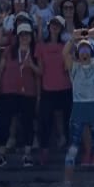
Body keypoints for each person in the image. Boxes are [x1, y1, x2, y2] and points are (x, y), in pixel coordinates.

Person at [58, 28, 94, 187]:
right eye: (81, 49)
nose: (84, 52)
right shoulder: (74, 67)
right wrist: (72, 39)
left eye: (87, 49)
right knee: (73, 148)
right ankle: (66, 185)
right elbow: (64, 54)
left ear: (91, 52)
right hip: (79, 110)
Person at [0, 23, 41, 168]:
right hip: (8, 91)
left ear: (31, 36)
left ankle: (27, 154)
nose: (24, 37)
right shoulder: (9, 50)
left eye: (27, 34)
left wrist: (32, 65)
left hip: (28, 93)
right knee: (4, 123)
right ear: (18, 36)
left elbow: (40, 72)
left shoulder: (35, 52)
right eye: (22, 34)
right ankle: (1, 154)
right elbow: (1, 68)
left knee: (27, 123)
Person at [35, 16, 72, 165]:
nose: (54, 27)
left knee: (69, 121)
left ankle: (71, 149)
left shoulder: (66, 46)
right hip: (47, 88)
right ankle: (44, 151)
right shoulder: (41, 46)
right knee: (45, 122)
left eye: (58, 25)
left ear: (61, 28)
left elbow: (69, 67)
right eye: (52, 24)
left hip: (65, 88)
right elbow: (40, 71)